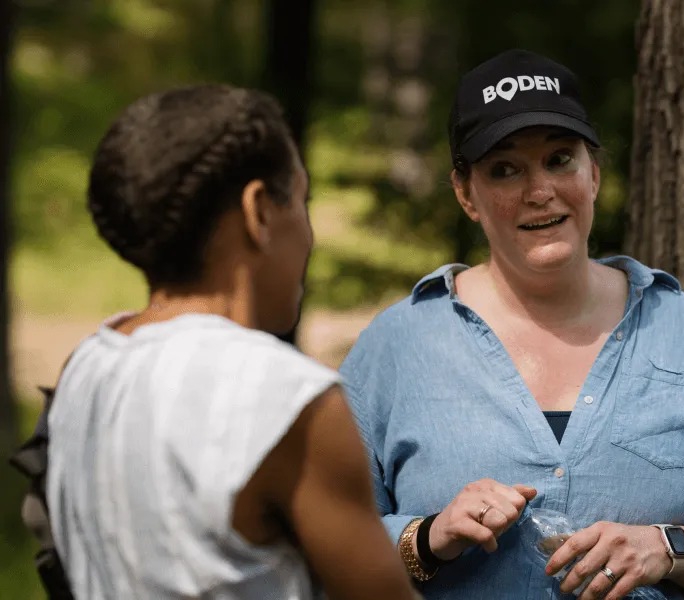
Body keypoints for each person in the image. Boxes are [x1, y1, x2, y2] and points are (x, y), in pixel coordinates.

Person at [339, 49, 684, 599]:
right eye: (505, 169)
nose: (540, 191)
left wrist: (668, 547)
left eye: (560, 159)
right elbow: (329, 539)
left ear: (594, 173)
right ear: (466, 193)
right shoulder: (396, 346)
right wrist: (426, 537)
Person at [45, 84, 419, 600]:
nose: (309, 234)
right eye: (303, 200)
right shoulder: (286, 399)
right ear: (259, 210)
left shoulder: (86, 366)